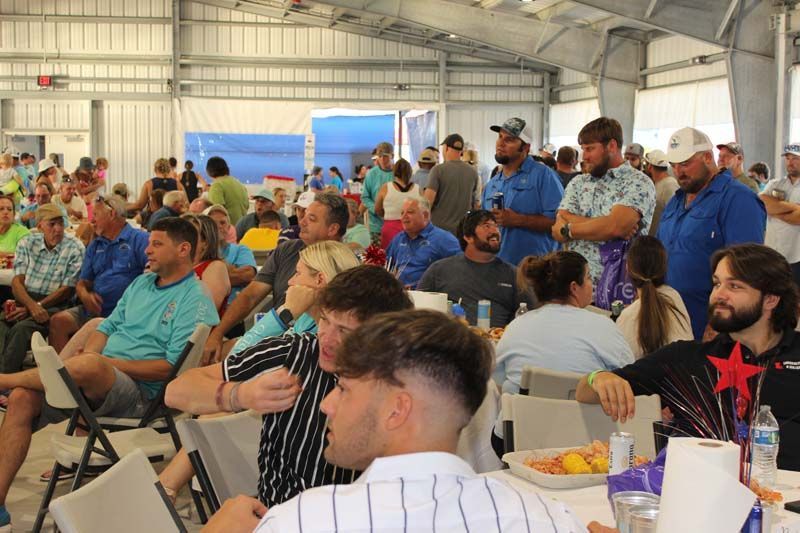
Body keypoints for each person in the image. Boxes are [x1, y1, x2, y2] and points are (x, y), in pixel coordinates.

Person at [204, 309, 586, 533]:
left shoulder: (304, 521)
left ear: (397, 409)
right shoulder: (546, 518)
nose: (327, 404)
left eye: (344, 389)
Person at [0, 217, 220, 531]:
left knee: (89, 365)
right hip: (97, 386)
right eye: (149, 242)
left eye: (157, 244)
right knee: (23, 398)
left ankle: (6, 380)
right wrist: (95, 354)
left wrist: (105, 363)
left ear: (183, 249)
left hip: (144, 395)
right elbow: (107, 326)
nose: (148, 250)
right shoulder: (142, 283)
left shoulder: (194, 297)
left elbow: (170, 368)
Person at [165, 266, 413, 508]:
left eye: (344, 331)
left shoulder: (400, 385)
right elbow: (177, 390)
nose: (326, 337)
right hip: (278, 514)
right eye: (325, 320)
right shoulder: (296, 352)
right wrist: (239, 395)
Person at [158, 241, 360, 502]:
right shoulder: (311, 324)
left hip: (291, 443)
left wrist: (286, 312)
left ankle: (167, 488)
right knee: (215, 407)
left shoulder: (317, 338)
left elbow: (239, 356)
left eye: (297, 274)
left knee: (213, 414)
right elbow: (241, 359)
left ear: (319, 279)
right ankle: (167, 488)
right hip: (291, 441)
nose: (289, 283)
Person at [575, 243, 800, 471]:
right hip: (694, 493)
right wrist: (599, 377)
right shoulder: (685, 359)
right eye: (717, 283)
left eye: (734, 286)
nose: (718, 294)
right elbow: (583, 391)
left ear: (771, 299)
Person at [203, 193, 348, 362]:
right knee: (210, 358)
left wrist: (283, 317)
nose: (301, 222)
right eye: (304, 215)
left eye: (312, 219)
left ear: (332, 229)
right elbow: (250, 295)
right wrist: (217, 334)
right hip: (277, 335)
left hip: (298, 348)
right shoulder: (288, 250)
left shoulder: (343, 267)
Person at [657, 127, 766, 339]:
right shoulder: (676, 200)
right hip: (668, 320)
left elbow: (746, 269)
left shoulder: (738, 199)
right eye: (674, 165)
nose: (679, 171)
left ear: (708, 157)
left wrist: (720, 324)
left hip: (708, 325)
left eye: (686, 163)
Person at [494, 251, 633, 395]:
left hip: (521, 415)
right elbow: (630, 378)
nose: (593, 284)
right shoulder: (604, 327)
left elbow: (497, 381)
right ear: (574, 287)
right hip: (582, 416)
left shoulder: (515, 328)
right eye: (589, 277)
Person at [552, 117, 656, 283]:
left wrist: (569, 230)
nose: (584, 156)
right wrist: (606, 224)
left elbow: (615, 227)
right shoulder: (579, 182)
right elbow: (557, 229)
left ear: (612, 146)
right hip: (573, 289)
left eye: (590, 149)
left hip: (617, 291)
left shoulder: (638, 182)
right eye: (583, 149)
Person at [48, 195, 149, 353]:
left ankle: (76, 370)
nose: (91, 221)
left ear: (112, 214)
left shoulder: (139, 239)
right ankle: (62, 375)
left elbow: (153, 275)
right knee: (58, 321)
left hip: (125, 315)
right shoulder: (95, 244)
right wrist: (84, 295)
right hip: (94, 311)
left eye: (95, 215)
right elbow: (83, 282)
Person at [0, 204, 84, 374]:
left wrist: (36, 307)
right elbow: (17, 282)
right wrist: (31, 306)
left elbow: (67, 289)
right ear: (39, 226)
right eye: (52, 224)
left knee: (20, 330)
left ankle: (5, 382)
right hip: (27, 299)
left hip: (55, 304)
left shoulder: (75, 247)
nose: (58, 229)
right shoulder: (27, 242)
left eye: (61, 223)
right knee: (2, 324)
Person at [482, 117, 564, 265]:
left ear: (525, 147)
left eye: (509, 139)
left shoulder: (544, 176)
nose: (501, 143)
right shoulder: (492, 184)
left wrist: (519, 220)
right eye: (500, 137)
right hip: (497, 269)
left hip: (536, 271)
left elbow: (560, 223)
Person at [419, 209, 521, 327]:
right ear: (468, 237)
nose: (495, 231)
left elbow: (529, 313)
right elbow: (419, 310)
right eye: (486, 226)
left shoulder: (513, 274)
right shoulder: (439, 270)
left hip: (498, 340)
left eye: (496, 226)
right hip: (451, 339)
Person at [615, 236, 692, 359]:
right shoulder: (674, 296)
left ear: (628, 268)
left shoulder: (628, 316)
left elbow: (621, 365)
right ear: (664, 267)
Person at [385, 197, 461, 288]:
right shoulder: (398, 239)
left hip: (429, 296)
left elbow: (460, 270)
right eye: (402, 213)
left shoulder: (444, 239)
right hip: (399, 295)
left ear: (425, 215)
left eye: (410, 212)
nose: (404, 216)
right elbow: (387, 267)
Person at [204, 205, 258, 319]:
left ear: (229, 227)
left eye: (223, 223)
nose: (218, 226)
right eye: (213, 223)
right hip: (204, 311)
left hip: (233, 312)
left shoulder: (241, 249)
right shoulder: (198, 251)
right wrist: (231, 270)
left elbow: (247, 275)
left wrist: (211, 277)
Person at [759, 143, 800, 286]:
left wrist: (776, 210)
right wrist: (794, 208)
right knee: (773, 296)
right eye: (788, 158)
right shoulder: (775, 183)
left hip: (797, 255)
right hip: (773, 253)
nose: (790, 162)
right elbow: (762, 204)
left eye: (795, 158)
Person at [424, 133, 479, 235]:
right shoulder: (473, 172)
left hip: (439, 231)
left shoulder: (438, 170)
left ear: (446, 148)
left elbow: (427, 202)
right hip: (462, 232)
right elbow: (475, 205)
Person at [375, 158, 422, 249]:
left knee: (390, 257)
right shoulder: (418, 189)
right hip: (413, 228)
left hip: (390, 228)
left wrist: (388, 214)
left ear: (394, 171)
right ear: (410, 172)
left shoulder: (386, 188)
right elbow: (423, 209)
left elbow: (377, 209)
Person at [361, 142, 395, 242]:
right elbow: (365, 197)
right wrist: (376, 209)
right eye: (379, 156)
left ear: (392, 156)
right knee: (376, 255)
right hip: (375, 225)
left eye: (385, 156)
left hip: (394, 223)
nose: (382, 160)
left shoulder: (397, 173)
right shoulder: (371, 174)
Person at [643, 149, 679, 236]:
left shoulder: (669, 185)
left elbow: (676, 216)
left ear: (650, 166)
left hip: (661, 242)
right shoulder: (658, 184)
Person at [206, 156, 249, 226]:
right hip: (242, 229)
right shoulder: (240, 184)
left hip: (227, 231)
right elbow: (246, 206)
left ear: (209, 171)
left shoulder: (217, 185)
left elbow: (217, 213)